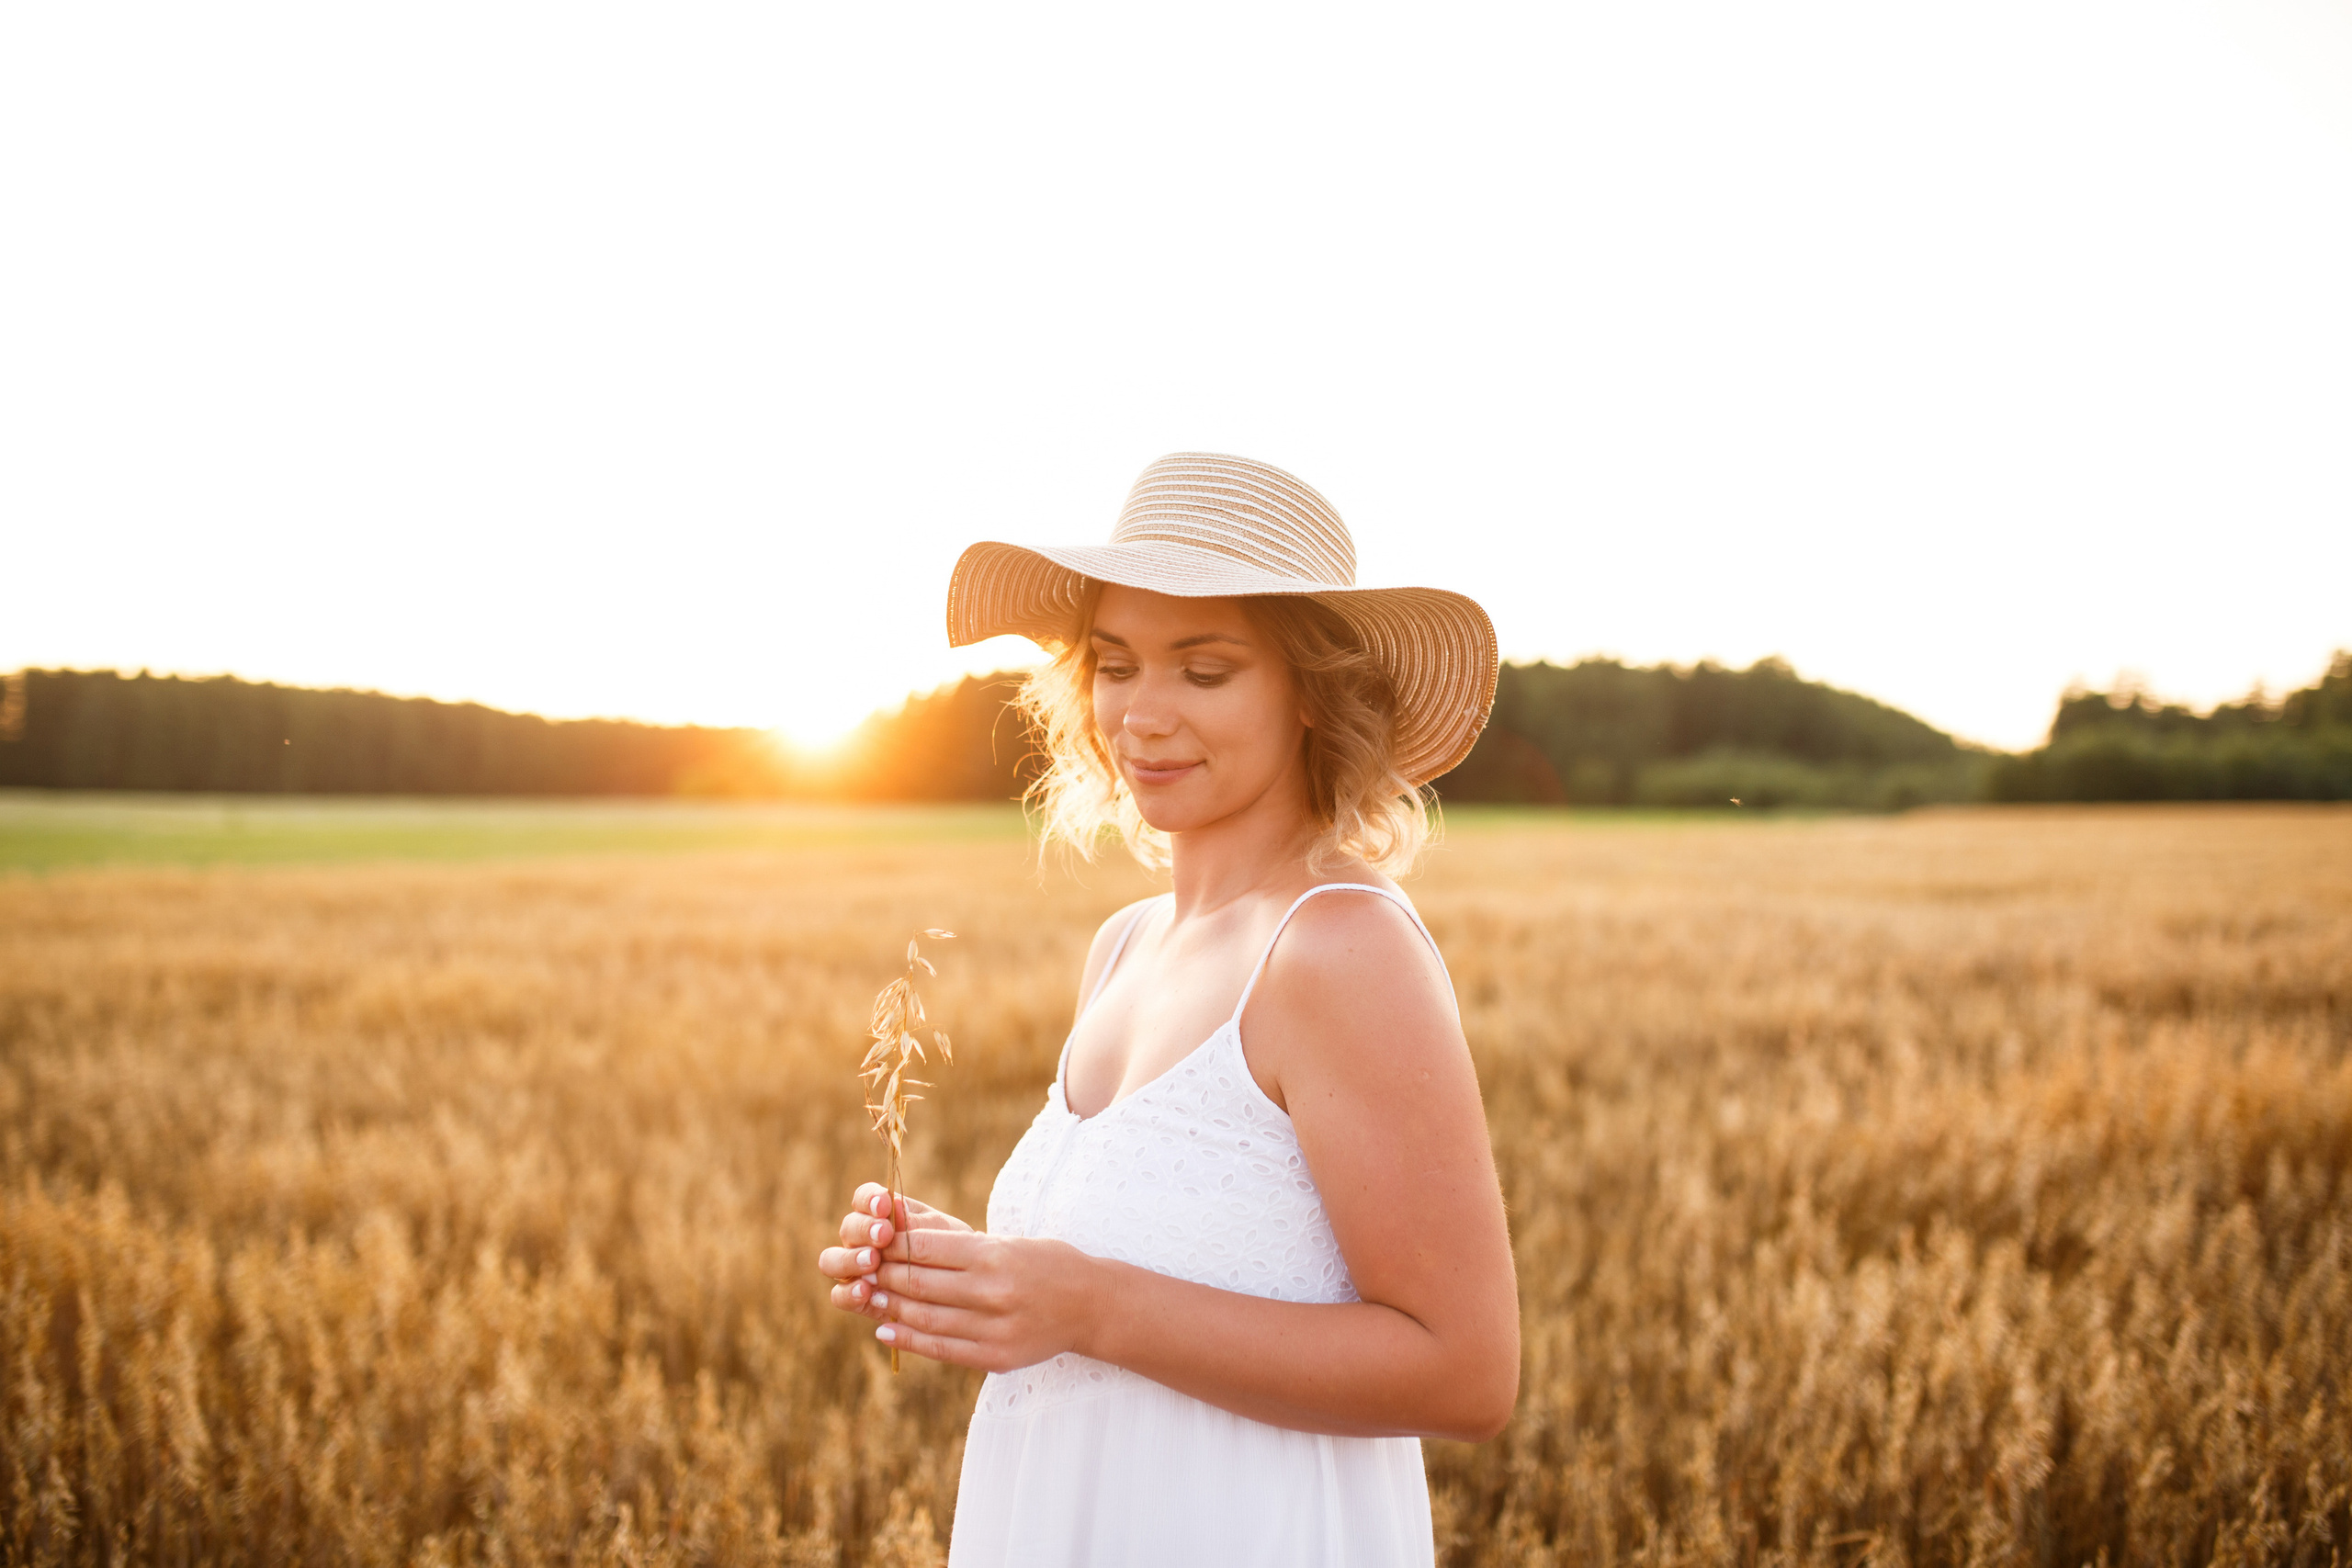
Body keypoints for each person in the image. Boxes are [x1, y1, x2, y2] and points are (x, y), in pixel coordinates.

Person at [816, 453, 1521, 1566]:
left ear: (1309, 696)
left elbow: (1466, 1371)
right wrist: (982, 1279)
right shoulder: (1125, 946)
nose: (1141, 715)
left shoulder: (1341, 947)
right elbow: (1140, 1268)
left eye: (1205, 671)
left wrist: (1088, 1305)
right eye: (1115, 665)